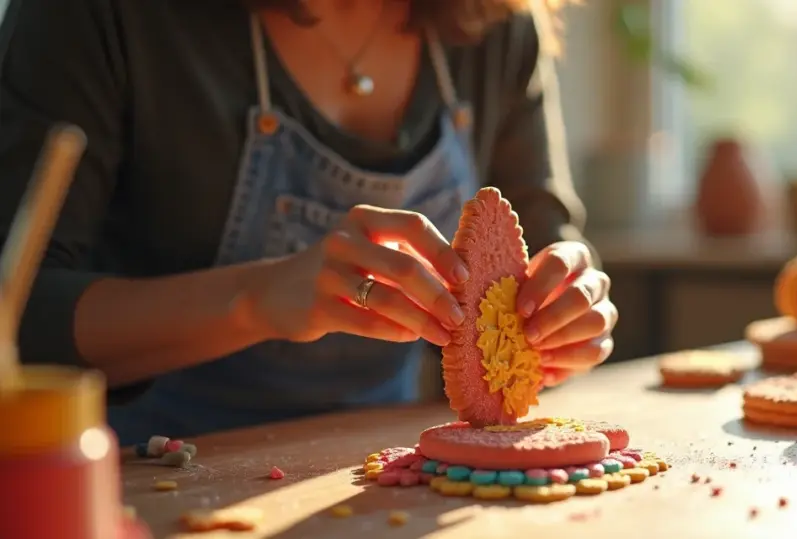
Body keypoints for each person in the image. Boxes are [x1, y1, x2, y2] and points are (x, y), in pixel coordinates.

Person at [0, 0, 618, 445]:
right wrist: (256, 297)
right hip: (142, 475)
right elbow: (17, 315)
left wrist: (572, 306)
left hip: (373, 477)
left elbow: (545, 239)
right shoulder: (94, 17)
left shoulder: (498, 24)